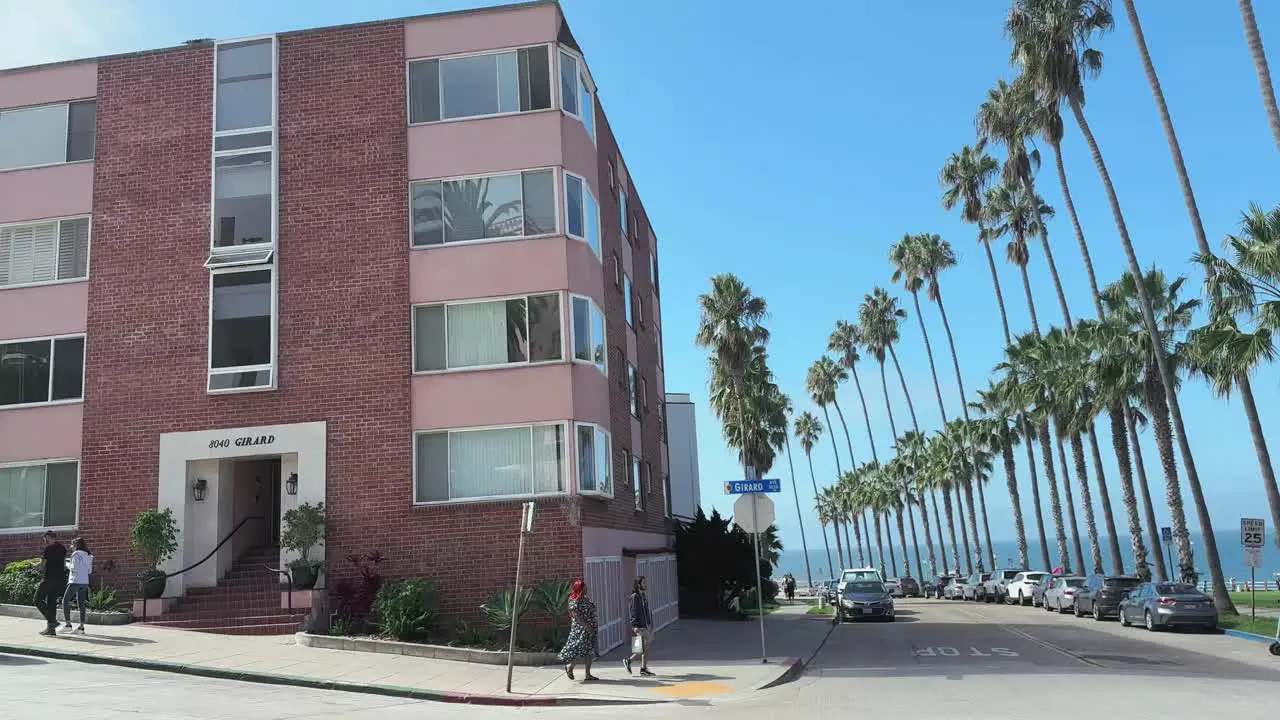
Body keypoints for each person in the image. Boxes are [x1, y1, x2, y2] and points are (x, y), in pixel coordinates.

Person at [558, 579, 599, 682]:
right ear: (579, 588)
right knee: (578, 651)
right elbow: (576, 616)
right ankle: (570, 667)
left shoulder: (585, 599)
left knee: (589, 652)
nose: (586, 589)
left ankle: (588, 674)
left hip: (589, 629)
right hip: (580, 630)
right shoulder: (574, 600)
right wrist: (586, 626)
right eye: (584, 587)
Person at [35, 531, 68, 637]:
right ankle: (51, 630)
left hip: (49, 578)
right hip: (60, 579)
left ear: (48, 537)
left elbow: (41, 566)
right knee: (51, 602)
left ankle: (52, 620)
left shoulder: (48, 549)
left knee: (37, 599)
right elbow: (63, 564)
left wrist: (34, 566)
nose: (44, 541)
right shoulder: (62, 548)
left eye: (44, 539)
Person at [61, 537, 94, 634]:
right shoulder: (89, 555)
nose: (71, 547)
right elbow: (89, 571)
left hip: (74, 581)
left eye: (72, 545)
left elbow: (73, 568)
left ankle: (68, 625)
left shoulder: (75, 554)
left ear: (76, 545)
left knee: (65, 601)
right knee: (81, 604)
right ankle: (81, 628)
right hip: (84, 582)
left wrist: (66, 564)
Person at [623, 575, 655, 676]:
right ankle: (631, 662)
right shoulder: (635, 597)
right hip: (639, 626)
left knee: (643, 646)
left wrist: (649, 623)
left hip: (645, 625)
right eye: (644, 582)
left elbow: (646, 611)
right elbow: (632, 612)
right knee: (645, 644)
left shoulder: (643, 596)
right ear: (638, 584)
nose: (645, 584)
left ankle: (642, 668)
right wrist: (634, 625)